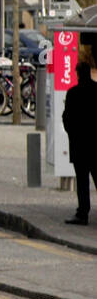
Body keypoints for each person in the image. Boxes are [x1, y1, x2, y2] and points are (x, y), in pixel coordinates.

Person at [62, 61, 97, 225]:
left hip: (79, 145)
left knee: (82, 182)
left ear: (77, 74)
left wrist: (73, 134)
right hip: (95, 144)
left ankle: (83, 213)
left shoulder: (73, 93)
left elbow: (66, 118)